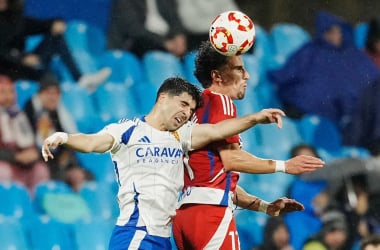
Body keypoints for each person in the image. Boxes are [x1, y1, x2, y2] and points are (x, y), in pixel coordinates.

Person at [42, 77, 290, 249]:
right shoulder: (128, 131)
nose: (186, 112)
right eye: (183, 103)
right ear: (162, 98)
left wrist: (256, 118)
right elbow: (93, 142)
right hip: (135, 232)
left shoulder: (181, 136)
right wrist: (64, 137)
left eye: (191, 109)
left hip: (163, 239)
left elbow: (217, 130)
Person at [172, 41, 325, 250]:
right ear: (217, 76)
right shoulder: (221, 102)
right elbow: (231, 159)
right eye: (239, 69)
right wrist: (284, 166)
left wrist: (265, 207)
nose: (247, 76)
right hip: (211, 215)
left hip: (188, 214)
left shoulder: (198, 109)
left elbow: (216, 179)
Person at [267, 11, 380, 133]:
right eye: (331, 32)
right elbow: (289, 72)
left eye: (338, 32)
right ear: (324, 33)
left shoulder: (352, 54)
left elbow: (369, 79)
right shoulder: (310, 51)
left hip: (347, 112)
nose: (336, 36)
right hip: (308, 107)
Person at [0, 0, 111, 92]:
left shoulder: (15, 19)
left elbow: (37, 25)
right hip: (8, 69)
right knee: (49, 80)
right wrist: (21, 58)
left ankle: (81, 79)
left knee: (56, 37)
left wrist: (55, 23)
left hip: (24, 66)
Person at [23, 72, 93, 192]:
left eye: (57, 93)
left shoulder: (59, 112)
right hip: (43, 163)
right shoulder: (31, 111)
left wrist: (72, 167)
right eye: (49, 93)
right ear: (40, 94)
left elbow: (69, 140)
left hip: (60, 162)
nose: (53, 97)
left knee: (88, 176)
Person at [0, 74, 50, 194]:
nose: (8, 97)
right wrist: (15, 157)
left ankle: (30, 208)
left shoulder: (20, 115)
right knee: (3, 171)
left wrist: (32, 153)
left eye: (10, 92)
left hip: (22, 167)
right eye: (2, 92)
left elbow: (31, 142)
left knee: (41, 170)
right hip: (6, 164)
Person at [107, 0, 187, 58]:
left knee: (195, 48)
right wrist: (164, 43)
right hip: (134, 44)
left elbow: (174, 18)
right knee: (148, 45)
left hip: (166, 40)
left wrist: (179, 36)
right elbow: (133, 29)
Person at [177, 0, 241, 52]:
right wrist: (222, 23)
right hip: (199, 44)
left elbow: (236, 18)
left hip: (227, 41)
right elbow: (192, 24)